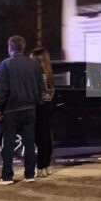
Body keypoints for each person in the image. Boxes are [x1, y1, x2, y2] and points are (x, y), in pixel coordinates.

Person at [0, 35, 44, 185]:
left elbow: (3, 89)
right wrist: (36, 101)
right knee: (29, 143)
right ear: (23, 47)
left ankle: (7, 176)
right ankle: (29, 174)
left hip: (11, 109)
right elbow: (41, 87)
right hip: (30, 108)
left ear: (10, 48)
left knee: (8, 144)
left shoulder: (6, 64)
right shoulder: (34, 64)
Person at [30, 47, 55, 177]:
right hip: (48, 107)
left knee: (40, 140)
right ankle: (46, 165)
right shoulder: (48, 72)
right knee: (47, 139)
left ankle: (40, 167)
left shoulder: (38, 74)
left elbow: (37, 93)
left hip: (39, 108)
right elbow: (51, 92)